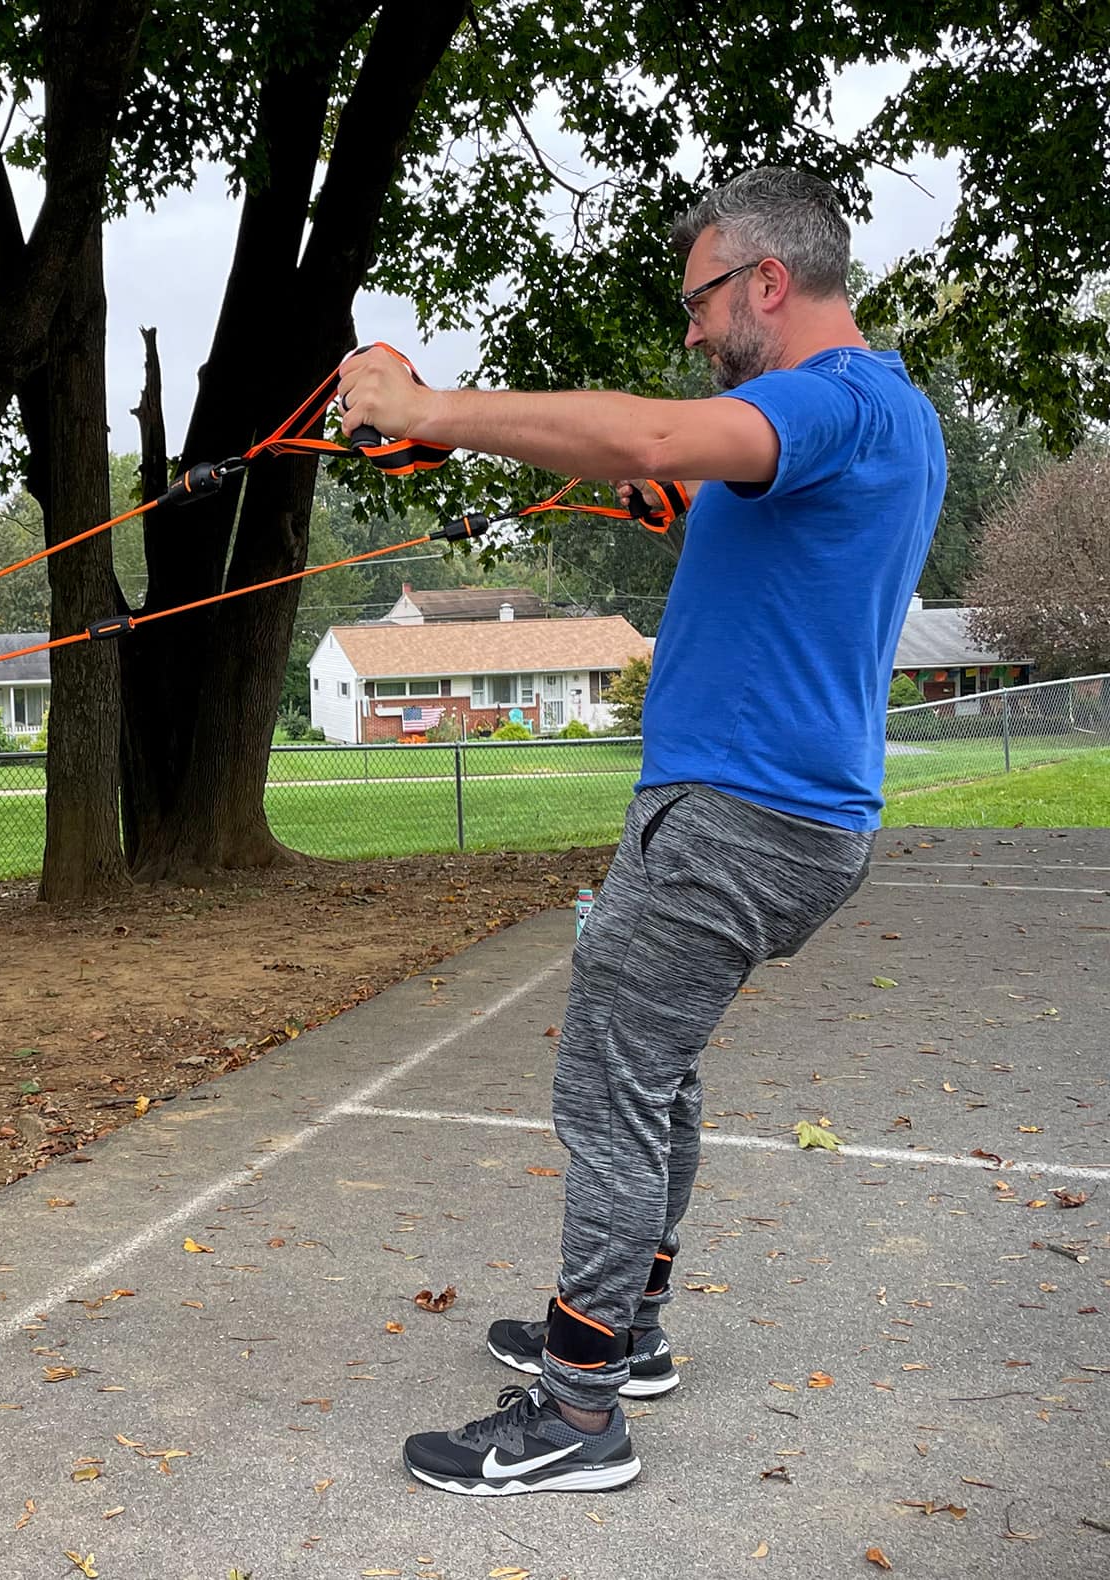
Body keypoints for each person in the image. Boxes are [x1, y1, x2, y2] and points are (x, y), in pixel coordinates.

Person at [336, 166, 946, 1496]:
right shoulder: (875, 419)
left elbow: (659, 440)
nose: (692, 329)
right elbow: (696, 498)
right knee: (649, 1072)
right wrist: (621, 490)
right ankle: (630, 1332)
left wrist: (429, 405)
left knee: (606, 1088)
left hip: (746, 819)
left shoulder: (833, 401)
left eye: (701, 301)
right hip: (755, 812)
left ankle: (578, 1409)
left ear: (769, 283)